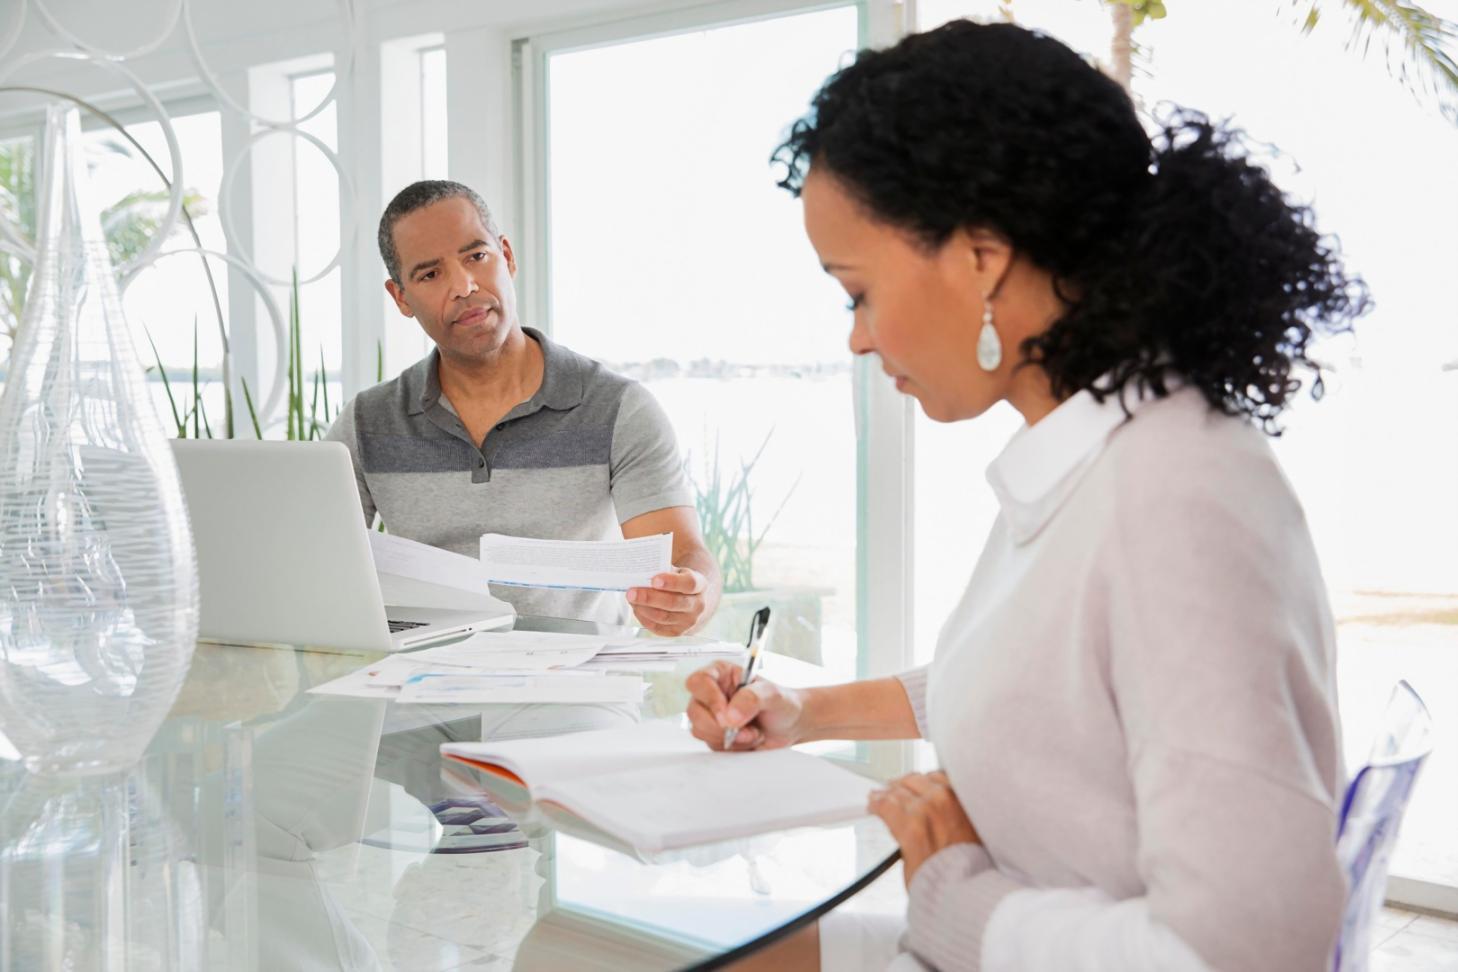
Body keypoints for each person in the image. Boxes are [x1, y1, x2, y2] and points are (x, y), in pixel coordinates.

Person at [685, 20, 1370, 972]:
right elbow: (1048, 677)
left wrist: (958, 895)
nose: (857, 338)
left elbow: (1248, 954)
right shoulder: (1110, 449)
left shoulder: (1174, 499)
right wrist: (808, 710)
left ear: (981, 258)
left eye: (856, 291)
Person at [327, 180, 720, 634]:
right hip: (422, 685)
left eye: (477, 256)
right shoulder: (365, 424)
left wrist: (694, 594)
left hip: (582, 684)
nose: (464, 286)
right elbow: (316, 565)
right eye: (430, 274)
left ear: (507, 257)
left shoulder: (618, 409)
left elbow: (683, 556)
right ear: (401, 298)